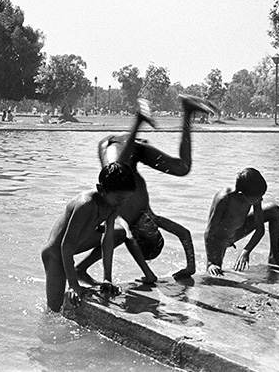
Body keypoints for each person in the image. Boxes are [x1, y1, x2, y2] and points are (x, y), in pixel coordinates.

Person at [75, 95, 215, 285]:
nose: (151, 224)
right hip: (128, 149)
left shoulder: (122, 221)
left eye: (149, 229)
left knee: (118, 169)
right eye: (154, 229)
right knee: (182, 168)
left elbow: (127, 239)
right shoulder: (150, 217)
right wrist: (191, 266)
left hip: (115, 149)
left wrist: (146, 273)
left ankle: (142, 118)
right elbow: (184, 233)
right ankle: (186, 111)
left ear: (138, 232)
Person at [40, 162, 136, 312]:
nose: (122, 203)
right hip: (55, 253)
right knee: (54, 310)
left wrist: (107, 279)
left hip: (77, 243)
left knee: (119, 233)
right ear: (101, 190)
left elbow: (107, 240)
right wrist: (73, 285)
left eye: (126, 199)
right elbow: (66, 246)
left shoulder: (113, 205)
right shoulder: (85, 204)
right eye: (119, 199)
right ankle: (74, 277)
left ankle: (80, 271)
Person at [204, 167, 279, 276]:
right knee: (216, 272)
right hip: (219, 240)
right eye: (257, 198)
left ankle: (275, 256)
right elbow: (209, 233)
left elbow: (260, 230)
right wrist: (211, 262)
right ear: (241, 194)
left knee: (273, 210)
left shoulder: (254, 196)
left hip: (237, 231)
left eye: (261, 196)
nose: (260, 200)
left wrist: (246, 251)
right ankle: (212, 264)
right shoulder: (224, 199)